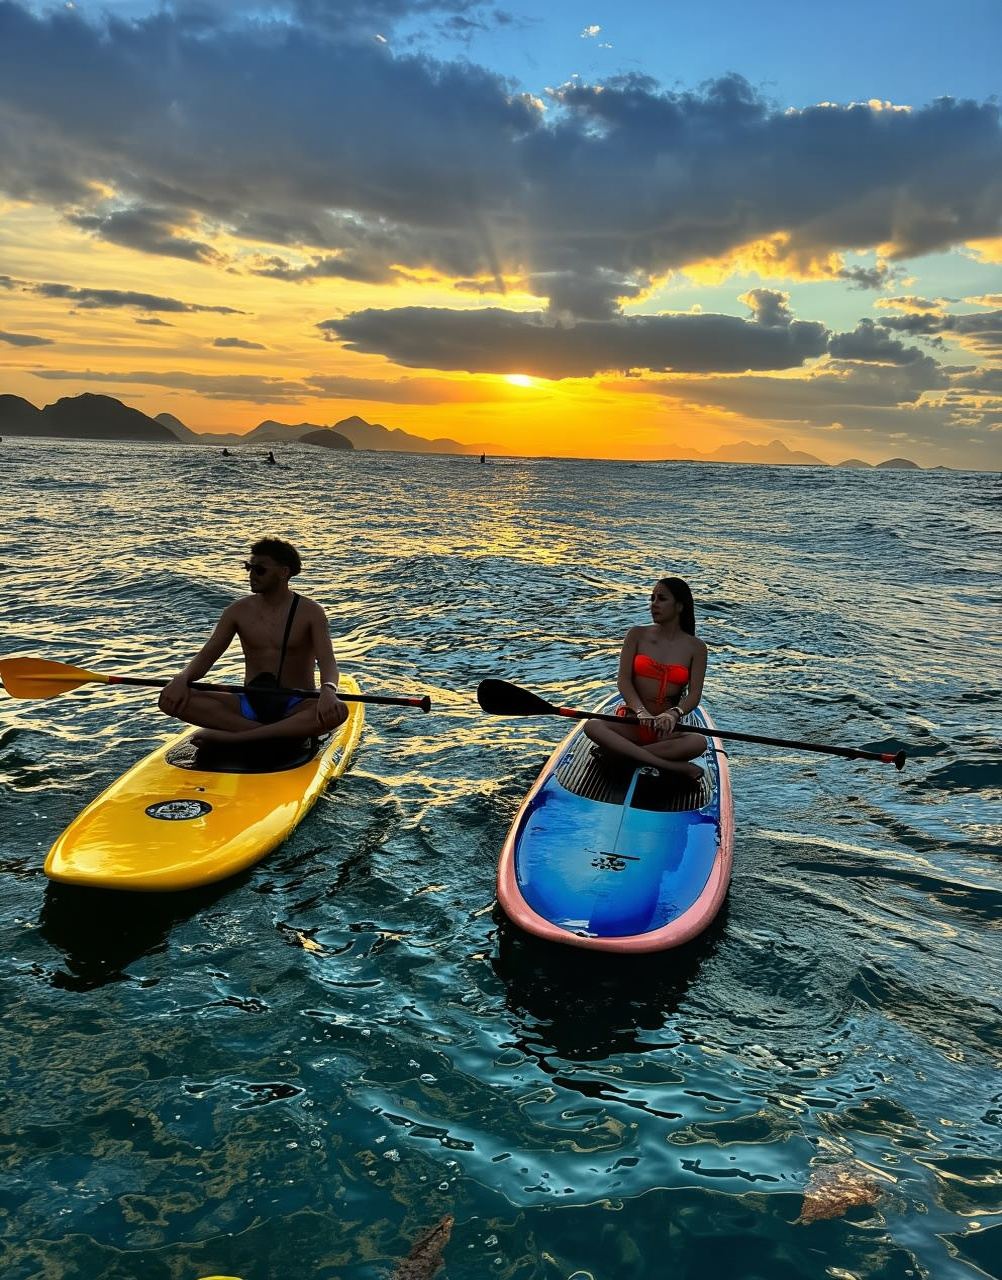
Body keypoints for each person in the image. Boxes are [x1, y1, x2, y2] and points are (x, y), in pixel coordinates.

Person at [158, 538, 348, 746]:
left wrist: (328, 691)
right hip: (249, 701)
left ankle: (238, 737)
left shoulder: (311, 612)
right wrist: (180, 679)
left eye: (259, 569)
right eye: (249, 567)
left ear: (284, 572)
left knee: (338, 713)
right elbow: (206, 656)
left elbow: (328, 662)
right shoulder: (236, 612)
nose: (251, 575)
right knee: (171, 701)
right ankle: (272, 735)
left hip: (296, 703)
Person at [584, 577, 707, 781]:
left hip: (666, 731)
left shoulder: (696, 648)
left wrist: (673, 714)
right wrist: (641, 712)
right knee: (592, 726)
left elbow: (694, 695)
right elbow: (623, 681)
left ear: (679, 606)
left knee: (699, 742)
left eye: (661, 599)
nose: (654, 604)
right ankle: (671, 766)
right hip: (632, 723)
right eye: (652, 598)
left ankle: (621, 754)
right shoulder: (636, 635)